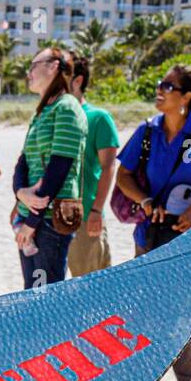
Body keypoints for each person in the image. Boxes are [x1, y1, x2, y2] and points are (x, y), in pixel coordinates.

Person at [114, 64, 191, 381]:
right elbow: (122, 176)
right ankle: (144, 372)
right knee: (145, 305)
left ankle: (188, 373)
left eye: (168, 85)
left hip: (190, 232)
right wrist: (146, 200)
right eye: (160, 83)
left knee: (186, 305)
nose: (160, 89)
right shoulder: (147, 131)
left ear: (188, 97)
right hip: (149, 232)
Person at [11, 47, 87, 291]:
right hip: (31, 215)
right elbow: (23, 160)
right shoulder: (44, 110)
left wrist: (32, 221)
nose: (29, 72)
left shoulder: (67, 107)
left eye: (34, 65)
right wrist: (20, 193)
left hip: (49, 219)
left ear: (54, 66)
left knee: (45, 293)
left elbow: (59, 167)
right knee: (31, 290)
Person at [67, 53, 120, 278]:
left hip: (85, 215)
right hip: (51, 219)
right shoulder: (50, 117)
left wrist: (97, 210)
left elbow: (108, 167)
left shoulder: (99, 117)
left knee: (90, 285)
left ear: (77, 80)